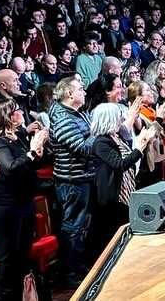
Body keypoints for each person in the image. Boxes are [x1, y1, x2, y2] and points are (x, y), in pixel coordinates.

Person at [0, 99, 49, 301]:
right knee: (7, 256)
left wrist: (40, 148)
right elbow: (11, 168)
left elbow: (31, 163)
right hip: (6, 206)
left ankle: (22, 293)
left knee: (23, 253)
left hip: (24, 202)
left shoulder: (19, 135)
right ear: (8, 116)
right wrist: (32, 152)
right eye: (17, 110)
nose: (22, 112)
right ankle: (5, 296)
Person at [89, 103, 157, 252]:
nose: (121, 119)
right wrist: (140, 147)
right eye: (118, 116)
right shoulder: (101, 143)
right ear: (109, 119)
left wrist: (141, 143)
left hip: (125, 190)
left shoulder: (116, 137)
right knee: (113, 235)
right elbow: (120, 164)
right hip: (112, 196)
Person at [48, 76, 95, 287]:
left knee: (80, 226)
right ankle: (70, 272)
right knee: (73, 226)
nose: (84, 92)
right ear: (69, 94)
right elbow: (83, 148)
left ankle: (79, 265)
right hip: (72, 180)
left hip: (81, 177)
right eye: (80, 89)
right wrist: (99, 131)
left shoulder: (75, 113)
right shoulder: (63, 118)